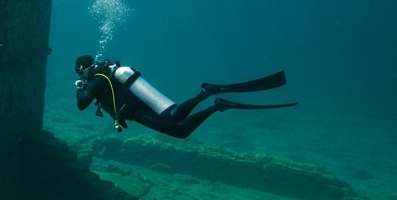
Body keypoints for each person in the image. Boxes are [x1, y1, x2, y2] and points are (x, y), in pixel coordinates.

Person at [74, 54, 296, 139]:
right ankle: (216, 104)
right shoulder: (101, 76)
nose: (81, 77)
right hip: (137, 107)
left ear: (84, 69)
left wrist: (79, 88)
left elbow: (82, 104)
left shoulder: (97, 78)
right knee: (179, 129)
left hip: (137, 111)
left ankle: (208, 93)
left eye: (79, 72)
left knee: (176, 122)